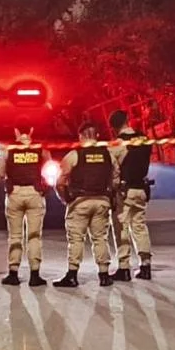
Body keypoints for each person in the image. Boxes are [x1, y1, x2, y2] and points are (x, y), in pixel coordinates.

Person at [54, 121, 116, 288]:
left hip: (80, 201)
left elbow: (60, 181)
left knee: (76, 239)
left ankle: (72, 275)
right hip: (102, 201)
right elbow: (115, 179)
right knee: (100, 238)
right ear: (97, 135)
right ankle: (104, 275)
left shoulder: (74, 155)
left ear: (80, 136)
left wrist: (65, 198)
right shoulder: (108, 154)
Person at [0, 122, 49, 287]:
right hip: (35, 193)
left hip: (15, 194)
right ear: (31, 130)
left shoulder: (8, 150)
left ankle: (13, 273)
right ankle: (35, 275)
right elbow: (49, 171)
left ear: (15, 131)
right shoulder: (41, 150)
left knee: (15, 236)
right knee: (34, 235)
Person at [109, 109, 153, 281]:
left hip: (124, 191)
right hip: (142, 188)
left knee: (122, 228)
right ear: (128, 120)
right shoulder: (144, 139)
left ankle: (124, 267)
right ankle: (146, 265)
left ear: (113, 127)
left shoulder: (117, 145)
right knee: (140, 226)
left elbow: (113, 169)